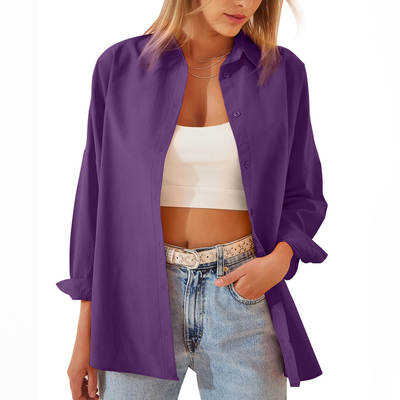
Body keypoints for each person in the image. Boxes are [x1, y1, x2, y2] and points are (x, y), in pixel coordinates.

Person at [56, 0, 328, 399]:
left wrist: (280, 259)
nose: (245, 3)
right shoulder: (119, 67)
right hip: (135, 304)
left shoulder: (282, 72)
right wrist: (85, 334)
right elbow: (93, 202)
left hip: (242, 296)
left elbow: (304, 192)